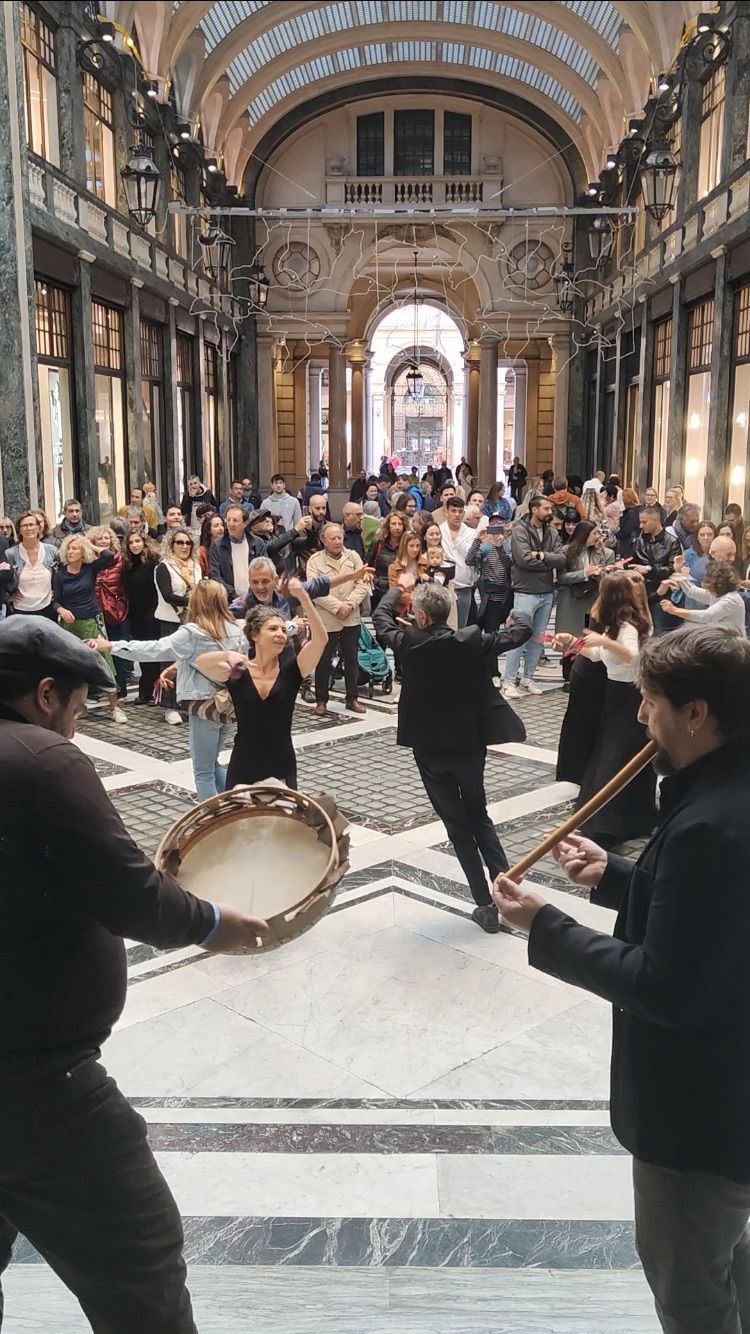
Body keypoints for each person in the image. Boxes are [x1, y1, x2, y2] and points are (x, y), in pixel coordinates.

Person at [0, 617, 269, 1333]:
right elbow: (132, 895)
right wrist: (217, 924)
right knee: (139, 1264)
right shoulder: (39, 759)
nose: (77, 729)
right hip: (37, 1088)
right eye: (78, 710)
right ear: (46, 692)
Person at [492, 625, 750, 1334]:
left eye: (651, 702)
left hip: (700, 1120)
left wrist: (545, 926)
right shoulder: (728, 791)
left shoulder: (709, 823)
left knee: (693, 1291)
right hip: (734, 1099)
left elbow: (664, 983)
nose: (641, 717)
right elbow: (713, 921)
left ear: (696, 714)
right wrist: (618, 877)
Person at [374, 581, 531, 931]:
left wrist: (395, 591)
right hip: (468, 745)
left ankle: (484, 905)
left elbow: (380, 617)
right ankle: (507, 890)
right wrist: (516, 613)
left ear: (423, 615)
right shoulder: (473, 642)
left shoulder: (408, 642)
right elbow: (521, 632)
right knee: (480, 816)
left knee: (458, 826)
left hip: (429, 750)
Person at [93, 580, 244, 802]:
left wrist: (113, 646)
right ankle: (235, 807)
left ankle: (215, 820)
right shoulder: (235, 630)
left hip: (204, 705)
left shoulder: (193, 633)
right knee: (213, 763)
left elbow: (155, 649)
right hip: (230, 703)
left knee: (203, 771)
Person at [198, 581, 328, 789]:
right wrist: (227, 654)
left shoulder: (292, 671)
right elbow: (202, 662)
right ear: (255, 635)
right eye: (273, 628)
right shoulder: (238, 672)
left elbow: (321, 640)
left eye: (283, 630)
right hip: (244, 764)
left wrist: (304, 597)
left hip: (281, 763)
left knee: (282, 822)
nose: (280, 634)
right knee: (240, 821)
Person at [561, 572, 655, 847]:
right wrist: (573, 643)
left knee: (616, 757)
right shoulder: (613, 627)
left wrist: (602, 642)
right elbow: (601, 657)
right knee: (609, 754)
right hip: (615, 695)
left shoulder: (627, 626)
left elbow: (632, 655)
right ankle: (614, 816)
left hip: (629, 697)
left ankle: (609, 822)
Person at [52, 534, 124, 724]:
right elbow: (56, 600)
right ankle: (78, 705)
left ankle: (114, 707)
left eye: (75, 548)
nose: (71, 551)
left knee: (104, 661)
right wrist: (60, 609)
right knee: (73, 665)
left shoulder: (89, 569)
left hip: (91, 621)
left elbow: (109, 555)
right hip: (70, 624)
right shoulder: (61, 574)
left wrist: (90, 544)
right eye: (69, 548)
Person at [501, 495, 566, 697]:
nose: (550, 512)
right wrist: (547, 562)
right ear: (534, 509)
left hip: (546, 591)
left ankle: (528, 677)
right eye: (546, 508)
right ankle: (509, 680)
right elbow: (523, 559)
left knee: (538, 638)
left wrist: (542, 555)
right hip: (525, 590)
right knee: (518, 636)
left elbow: (562, 559)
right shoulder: (520, 530)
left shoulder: (552, 532)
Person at [306, 523, 368, 716]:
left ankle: (352, 698)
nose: (337, 541)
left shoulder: (353, 557)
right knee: (324, 660)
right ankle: (321, 700)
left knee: (351, 659)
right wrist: (336, 607)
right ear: (323, 540)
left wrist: (349, 604)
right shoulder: (315, 561)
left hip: (350, 616)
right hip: (326, 618)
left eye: (340, 537)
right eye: (332, 538)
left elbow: (363, 583)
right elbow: (315, 589)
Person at [155, 527, 203, 724]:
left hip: (193, 621)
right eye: (179, 542)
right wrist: (192, 601)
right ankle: (169, 707)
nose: (184, 546)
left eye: (187, 543)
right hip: (171, 620)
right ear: (171, 545)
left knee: (191, 662)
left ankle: (187, 703)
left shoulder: (196, 566)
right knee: (170, 662)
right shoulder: (164, 567)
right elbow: (167, 595)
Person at [209, 504, 294, 599]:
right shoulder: (217, 545)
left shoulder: (258, 543)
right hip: (228, 599)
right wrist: (233, 595)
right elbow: (214, 574)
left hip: (255, 597)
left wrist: (252, 594)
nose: (231, 524)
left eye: (235, 520)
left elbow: (264, 570)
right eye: (228, 520)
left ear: (245, 523)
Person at [120, 529, 163, 706]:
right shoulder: (127, 564)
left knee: (154, 652)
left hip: (152, 612)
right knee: (141, 652)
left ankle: (155, 691)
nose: (135, 545)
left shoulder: (153, 561)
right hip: (135, 613)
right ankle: (144, 691)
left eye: (138, 541)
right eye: (131, 542)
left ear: (144, 542)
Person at [90, 526, 130, 700]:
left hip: (115, 610)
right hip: (96, 610)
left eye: (107, 538)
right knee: (98, 650)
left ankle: (120, 686)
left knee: (116, 648)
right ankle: (102, 686)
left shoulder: (119, 559)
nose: (104, 541)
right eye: (100, 539)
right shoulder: (90, 561)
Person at [556, 521, 615, 640]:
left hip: (593, 600)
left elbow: (607, 577)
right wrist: (584, 573)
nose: (598, 536)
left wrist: (599, 572)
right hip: (573, 599)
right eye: (594, 533)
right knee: (572, 640)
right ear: (584, 534)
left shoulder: (601, 552)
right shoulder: (566, 551)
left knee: (592, 639)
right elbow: (561, 577)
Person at [660, 559, 747, 634]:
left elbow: (707, 616)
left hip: (734, 645)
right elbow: (691, 591)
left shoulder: (731, 599)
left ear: (718, 583)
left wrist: (675, 610)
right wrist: (678, 571)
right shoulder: (716, 593)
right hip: (721, 641)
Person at [633, 505, 682, 634]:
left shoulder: (672, 542)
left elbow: (673, 569)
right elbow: (634, 563)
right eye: (640, 522)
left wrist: (649, 569)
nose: (641, 526)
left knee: (658, 632)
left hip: (661, 595)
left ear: (656, 520)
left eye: (644, 522)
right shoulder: (640, 540)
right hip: (640, 593)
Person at [4, 511, 58, 618]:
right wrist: (6, 597)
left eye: (31, 524)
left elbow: (64, 575)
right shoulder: (10, 554)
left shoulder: (52, 551)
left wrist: (57, 595)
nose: (29, 528)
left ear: (38, 528)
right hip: (19, 611)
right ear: (19, 530)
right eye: (24, 525)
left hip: (47, 609)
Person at [466, 522, 513, 632]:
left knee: (494, 631)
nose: (497, 535)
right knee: (478, 629)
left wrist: (499, 547)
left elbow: (509, 565)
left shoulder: (509, 547)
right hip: (485, 595)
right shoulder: (485, 547)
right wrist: (477, 539)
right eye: (494, 531)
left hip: (503, 596)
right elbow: (469, 560)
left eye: (500, 531)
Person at [439, 496, 477, 629]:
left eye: (460, 511)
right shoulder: (438, 531)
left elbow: (471, 556)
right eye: (453, 511)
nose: (457, 515)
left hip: (464, 587)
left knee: (461, 629)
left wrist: (459, 541)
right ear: (446, 511)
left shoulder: (471, 533)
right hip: (443, 588)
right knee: (442, 629)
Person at [366, 511, 406, 608]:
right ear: (388, 526)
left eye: (400, 524)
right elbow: (368, 564)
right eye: (393, 524)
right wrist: (375, 581)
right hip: (379, 590)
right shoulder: (378, 544)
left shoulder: (408, 545)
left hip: (401, 591)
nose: (397, 527)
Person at [618, 488, 643, 560]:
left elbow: (627, 530)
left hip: (628, 543)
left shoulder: (631, 513)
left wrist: (617, 534)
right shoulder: (640, 509)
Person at [198, 512, 226, 576]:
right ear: (208, 530)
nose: (221, 528)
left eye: (222, 525)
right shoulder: (202, 551)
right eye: (216, 526)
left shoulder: (227, 546)